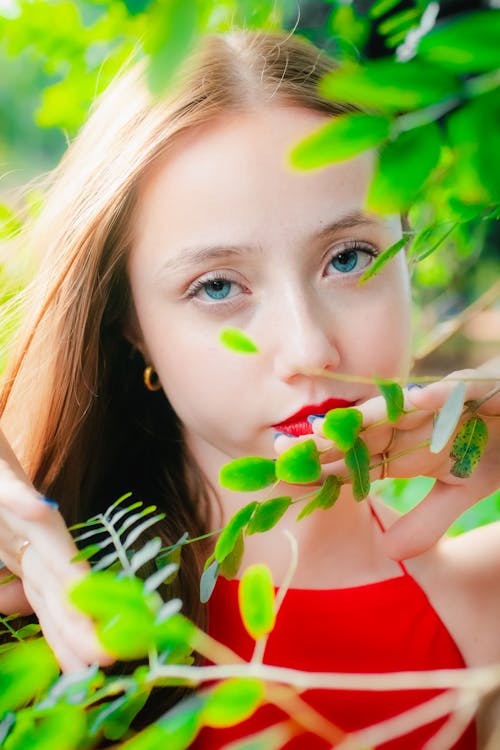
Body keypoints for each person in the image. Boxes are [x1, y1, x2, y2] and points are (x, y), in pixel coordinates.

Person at [0, 29, 499, 749]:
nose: (307, 349)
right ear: (130, 327)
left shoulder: (484, 606)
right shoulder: (39, 617)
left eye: (350, 256)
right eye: (218, 286)